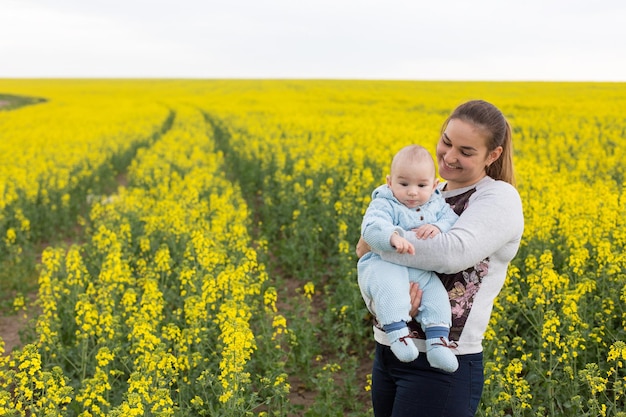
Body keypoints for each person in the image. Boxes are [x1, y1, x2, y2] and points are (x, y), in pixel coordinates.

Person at [356, 99, 524, 417]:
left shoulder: (498, 198)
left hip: (444, 366)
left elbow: (450, 253)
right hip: (389, 349)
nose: (449, 156)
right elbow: (366, 257)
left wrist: (379, 241)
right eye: (446, 142)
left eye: (466, 151)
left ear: (493, 155)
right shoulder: (423, 189)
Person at [357, 145, 459, 372]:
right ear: (389, 182)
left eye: (421, 185)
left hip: (417, 269)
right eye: (404, 184)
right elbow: (371, 227)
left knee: (435, 293)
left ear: (433, 186)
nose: (412, 192)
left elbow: (451, 219)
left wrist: (437, 226)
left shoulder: (435, 202)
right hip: (383, 264)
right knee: (390, 288)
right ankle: (398, 335)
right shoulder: (385, 202)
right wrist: (391, 237)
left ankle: (438, 342)